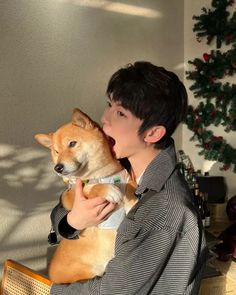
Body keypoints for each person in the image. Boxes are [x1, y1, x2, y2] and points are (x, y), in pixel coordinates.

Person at [50, 61, 208, 295]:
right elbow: (59, 212)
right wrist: (72, 222)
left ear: (153, 133)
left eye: (120, 113)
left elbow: (114, 291)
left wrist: (49, 291)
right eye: (109, 105)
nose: (105, 119)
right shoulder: (117, 166)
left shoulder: (164, 208)